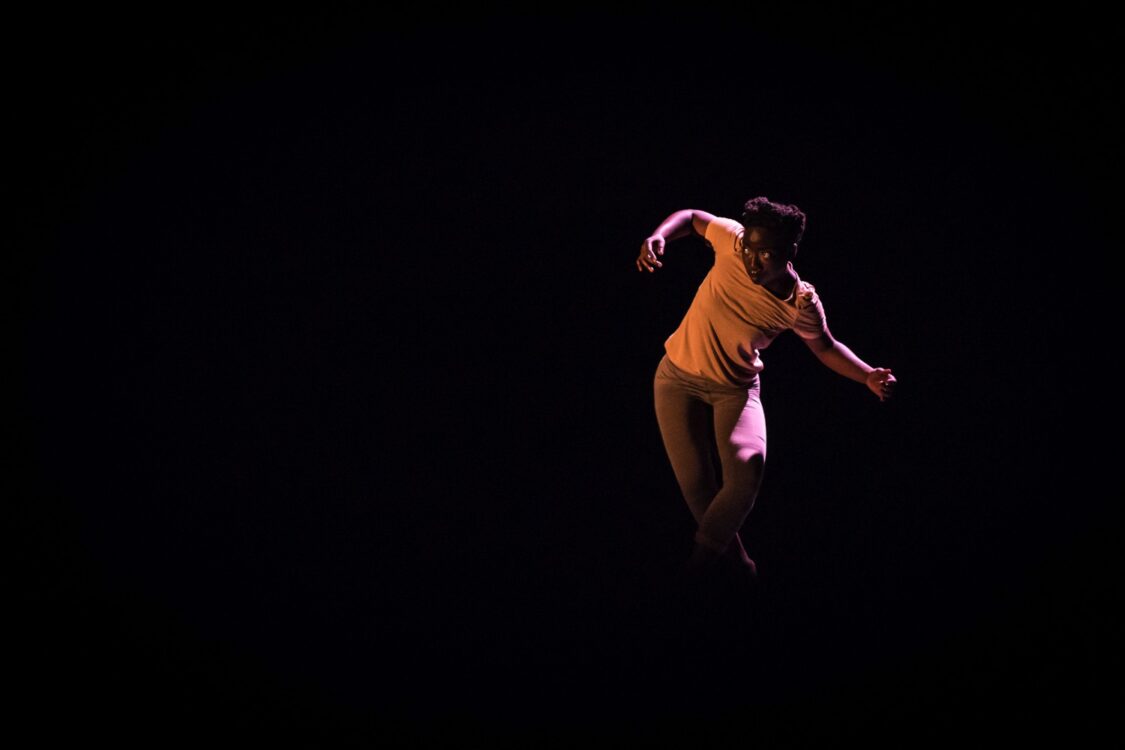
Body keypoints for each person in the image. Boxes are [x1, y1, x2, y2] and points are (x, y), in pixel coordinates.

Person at [637, 196, 896, 587]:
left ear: (790, 252)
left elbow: (825, 347)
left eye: (766, 254)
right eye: (749, 250)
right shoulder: (731, 240)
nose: (752, 261)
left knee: (747, 470)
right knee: (699, 488)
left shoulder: (800, 303)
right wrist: (658, 236)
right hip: (677, 380)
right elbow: (692, 218)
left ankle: (694, 574)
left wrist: (867, 376)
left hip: (735, 389)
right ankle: (741, 566)